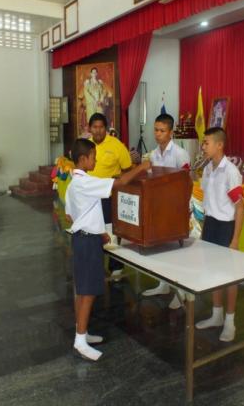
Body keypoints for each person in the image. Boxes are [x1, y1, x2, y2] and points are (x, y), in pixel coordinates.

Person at [65, 138, 151, 361]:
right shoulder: (85, 182)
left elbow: (72, 215)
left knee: (83, 289)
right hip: (87, 243)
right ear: (83, 159)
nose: (96, 161)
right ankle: (80, 341)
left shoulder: (74, 184)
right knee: (88, 292)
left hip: (83, 238)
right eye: (93, 157)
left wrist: (99, 231)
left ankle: (81, 331)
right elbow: (119, 183)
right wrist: (141, 167)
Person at [195, 127, 244, 342]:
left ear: (219, 145)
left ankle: (230, 322)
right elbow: (208, 202)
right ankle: (216, 315)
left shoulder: (230, 171)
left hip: (226, 227)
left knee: (229, 276)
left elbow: (240, 208)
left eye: (206, 143)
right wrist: (204, 229)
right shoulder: (207, 169)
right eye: (203, 142)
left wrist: (235, 239)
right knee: (212, 271)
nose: (203, 146)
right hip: (210, 225)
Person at [140, 114, 192, 308]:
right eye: (156, 130)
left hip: (176, 208)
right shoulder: (153, 155)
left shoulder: (180, 154)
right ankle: (163, 284)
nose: (157, 134)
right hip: (159, 208)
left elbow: (186, 182)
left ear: (170, 133)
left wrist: (182, 206)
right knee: (162, 248)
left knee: (177, 251)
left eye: (162, 131)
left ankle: (181, 291)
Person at [87, 113, 132, 279]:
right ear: (89, 128)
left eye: (101, 127)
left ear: (106, 128)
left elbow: (127, 169)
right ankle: (96, 265)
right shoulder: (86, 146)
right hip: (90, 198)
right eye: (95, 127)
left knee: (111, 232)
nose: (98, 130)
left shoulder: (116, 145)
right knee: (93, 232)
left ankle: (116, 268)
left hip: (109, 198)